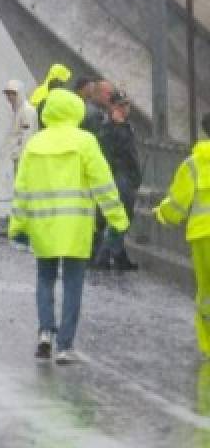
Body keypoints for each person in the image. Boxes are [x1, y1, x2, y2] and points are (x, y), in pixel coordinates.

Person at [9, 89, 128, 364]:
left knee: (45, 279)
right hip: (75, 226)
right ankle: (65, 345)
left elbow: (22, 190)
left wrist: (18, 226)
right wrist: (117, 220)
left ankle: (45, 332)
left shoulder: (35, 145)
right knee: (73, 284)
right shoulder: (85, 142)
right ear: (76, 111)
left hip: (43, 225)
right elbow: (103, 184)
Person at [155, 113, 210, 359]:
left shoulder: (194, 164)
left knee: (206, 292)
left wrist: (162, 214)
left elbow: (177, 204)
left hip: (202, 235)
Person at [92, 91, 142, 271]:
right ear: (112, 106)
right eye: (121, 105)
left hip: (126, 177)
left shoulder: (124, 126)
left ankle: (119, 256)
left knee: (122, 217)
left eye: (127, 105)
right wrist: (119, 126)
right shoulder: (109, 127)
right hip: (118, 177)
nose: (125, 109)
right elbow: (114, 152)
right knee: (119, 218)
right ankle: (103, 256)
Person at [3, 79, 38, 175]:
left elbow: (26, 136)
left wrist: (16, 154)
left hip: (21, 158)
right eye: (8, 94)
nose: (10, 97)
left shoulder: (27, 111)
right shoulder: (17, 110)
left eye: (13, 94)